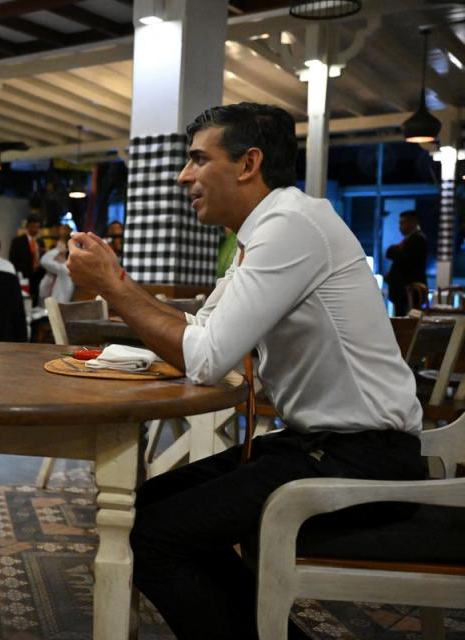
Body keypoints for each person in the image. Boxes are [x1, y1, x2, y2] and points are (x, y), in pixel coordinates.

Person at [66, 102, 426, 640]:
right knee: (148, 508)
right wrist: (120, 279)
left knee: (160, 535)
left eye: (196, 160)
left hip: (363, 458)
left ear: (248, 163)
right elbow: (203, 327)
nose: (183, 176)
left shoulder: (290, 227)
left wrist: (113, 286)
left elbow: (207, 360)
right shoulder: (263, 232)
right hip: (320, 445)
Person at [384, 209, 428, 316]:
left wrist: (394, 250)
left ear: (412, 223)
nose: (400, 226)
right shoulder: (409, 240)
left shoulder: (417, 239)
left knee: (407, 323)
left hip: (408, 292)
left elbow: (403, 259)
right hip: (402, 292)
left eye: (402, 223)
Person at [8, 214, 45, 304]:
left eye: (37, 227)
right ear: (27, 227)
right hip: (23, 274)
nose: (35, 230)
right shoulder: (18, 241)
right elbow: (12, 259)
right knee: (23, 298)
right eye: (33, 227)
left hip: (37, 275)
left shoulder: (40, 242)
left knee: (35, 298)